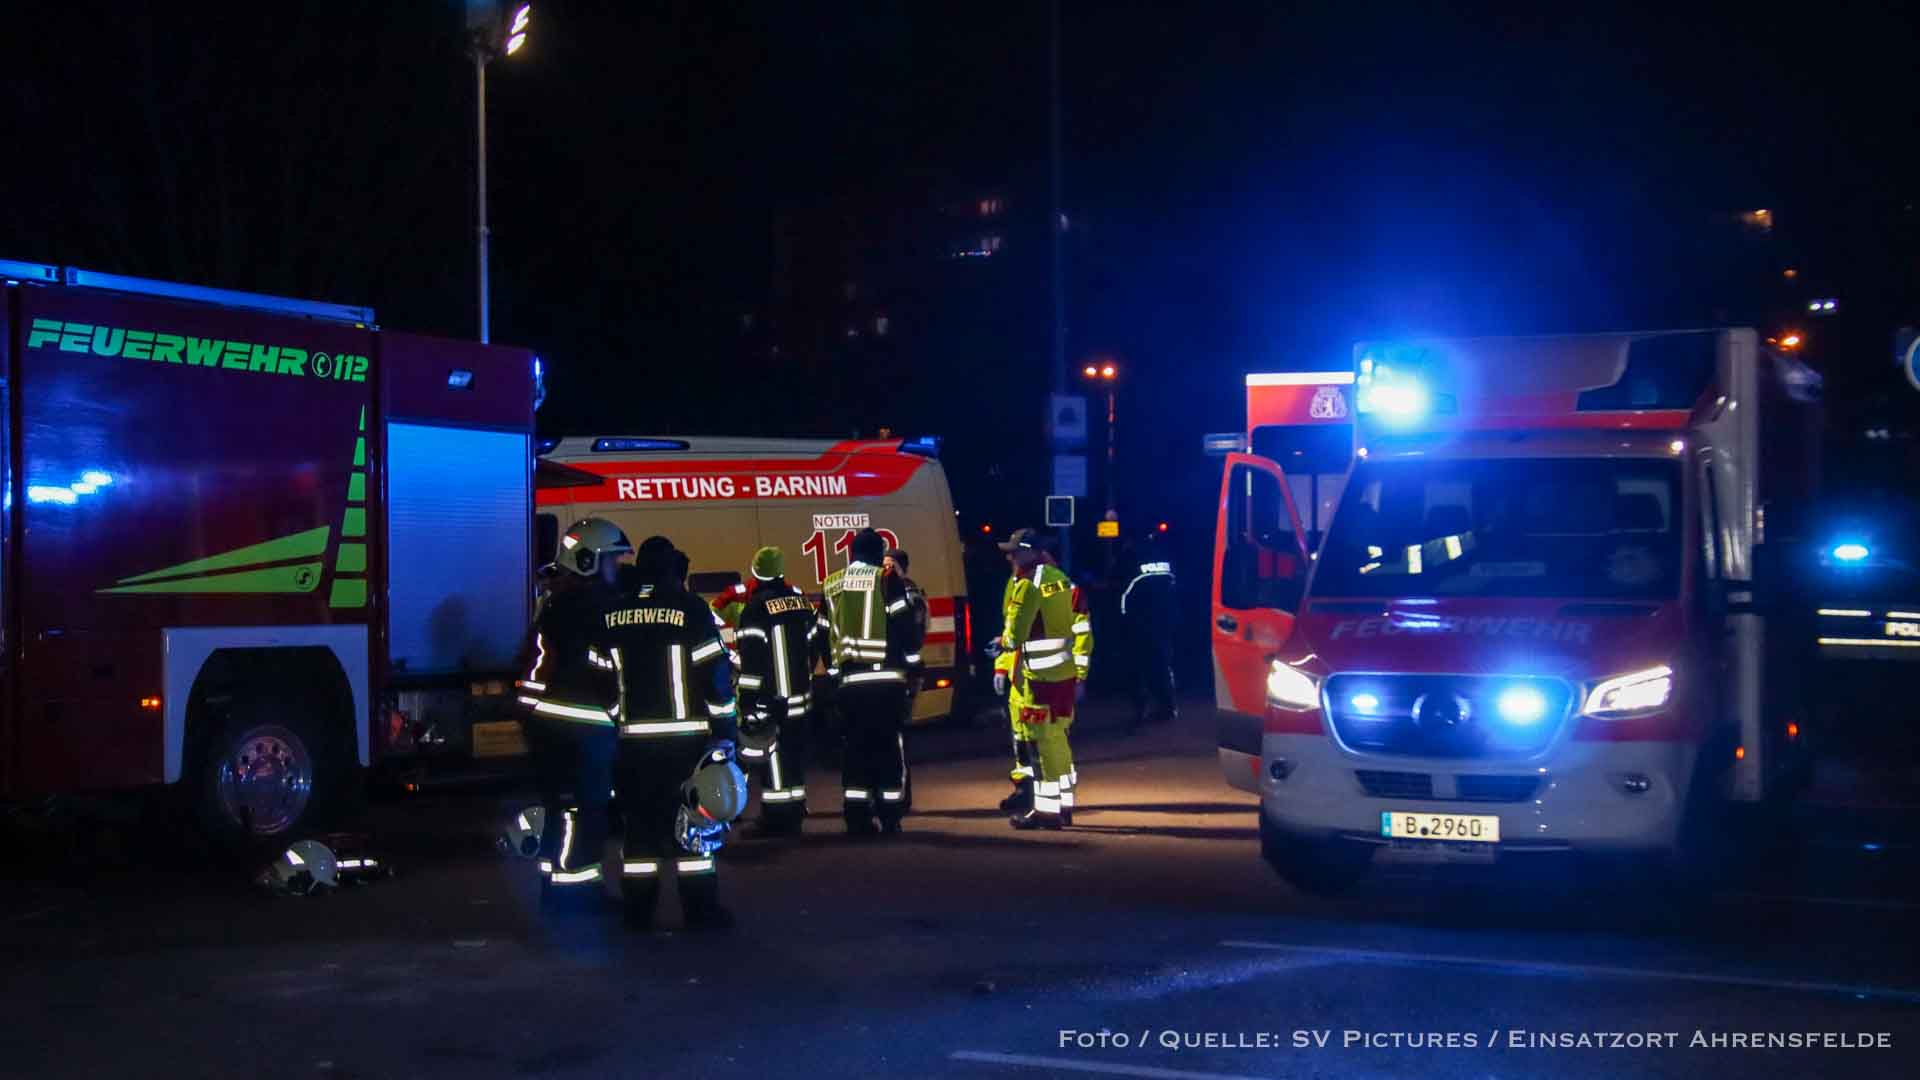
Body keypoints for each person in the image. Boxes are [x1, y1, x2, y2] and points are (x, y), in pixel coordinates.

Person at [601, 536, 742, 929]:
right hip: (686, 744)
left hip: (631, 746)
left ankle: (638, 913)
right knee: (694, 828)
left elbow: (600, 680)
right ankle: (700, 912)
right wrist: (725, 732)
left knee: (639, 836)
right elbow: (716, 678)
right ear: (672, 568)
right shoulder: (691, 609)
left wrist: (617, 721)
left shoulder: (613, 613)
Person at [515, 517, 628, 908]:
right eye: (611, 560)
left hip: (548, 728)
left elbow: (535, 667)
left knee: (559, 810)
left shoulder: (556, 603)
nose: (616, 569)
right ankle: (574, 892)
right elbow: (604, 669)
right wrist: (621, 715)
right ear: (588, 561)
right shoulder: (591, 608)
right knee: (584, 812)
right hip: (582, 729)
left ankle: (557, 885)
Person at [822, 528, 924, 835]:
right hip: (886, 681)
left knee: (855, 751)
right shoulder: (885, 579)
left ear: (852, 553)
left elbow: (822, 634)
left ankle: (857, 817)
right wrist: (912, 658)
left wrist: (833, 671)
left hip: (850, 683)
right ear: (878, 554)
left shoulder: (832, 584)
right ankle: (890, 815)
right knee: (887, 750)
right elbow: (904, 623)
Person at [994, 527, 1089, 830]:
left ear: (1029, 552)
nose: (1010, 557)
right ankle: (1064, 803)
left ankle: (1047, 812)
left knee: (1042, 747)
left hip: (1037, 678)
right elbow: (1077, 629)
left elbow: (1017, 633)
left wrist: (1002, 643)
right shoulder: (1060, 580)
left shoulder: (1028, 584)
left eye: (1014, 551)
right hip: (1063, 674)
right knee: (1058, 741)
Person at [732, 545, 824, 834]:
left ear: (756, 573)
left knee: (774, 759)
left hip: (772, 698)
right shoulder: (800, 602)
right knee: (794, 756)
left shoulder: (754, 610)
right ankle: (795, 810)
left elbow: (752, 661)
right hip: (801, 696)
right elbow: (814, 642)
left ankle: (777, 818)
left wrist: (748, 700)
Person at [1118, 535, 1178, 730]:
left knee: (1137, 667)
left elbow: (1122, 593)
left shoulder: (1130, 559)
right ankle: (1167, 705)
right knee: (1161, 664)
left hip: (1139, 623)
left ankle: (1141, 707)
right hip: (1163, 619)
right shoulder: (1163, 557)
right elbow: (1174, 586)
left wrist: (1123, 618)